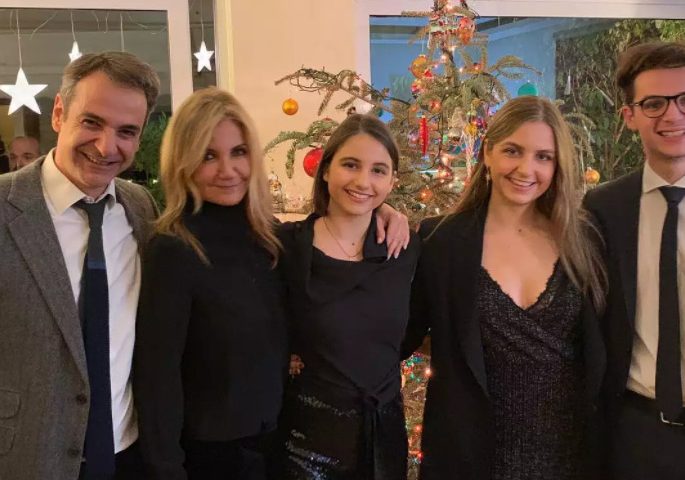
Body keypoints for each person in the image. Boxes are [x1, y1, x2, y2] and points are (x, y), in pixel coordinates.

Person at [133, 92, 409, 480]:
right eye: (208, 156)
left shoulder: (269, 239)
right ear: (182, 161)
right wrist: (166, 469)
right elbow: (156, 378)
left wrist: (385, 209)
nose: (228, 170)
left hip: (279, 446)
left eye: (239, 152)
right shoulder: (173, 249)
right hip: (210, 456)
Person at [403, 96, 607, 480]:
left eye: (543, 157)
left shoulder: (584, 240)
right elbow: (398, 334)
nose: (526, 169)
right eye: (513, 151)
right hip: (470, 458)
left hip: (571, 456)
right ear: (488, 153)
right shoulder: (440, 241)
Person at [0, 51, 159, 480]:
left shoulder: (140, 207)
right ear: (59, 113)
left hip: (128, 455)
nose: (107, 147)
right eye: (92, 122)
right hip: (25, 458)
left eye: (126, 131)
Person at [277, 113, 421, 480]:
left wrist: (388, 210)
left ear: (392, 181)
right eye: (350, 165)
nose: (362, 181)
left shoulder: (405, 250)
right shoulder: (287, 246)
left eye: (378, 170)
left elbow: (411, 332)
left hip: (382, 437)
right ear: (326, 170)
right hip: (307, 440)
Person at [583, 41, 685, 480]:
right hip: (636, 432)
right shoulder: (603, 208)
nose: (672, 115)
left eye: (684, 100)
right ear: (629, 116)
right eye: (654, 103)